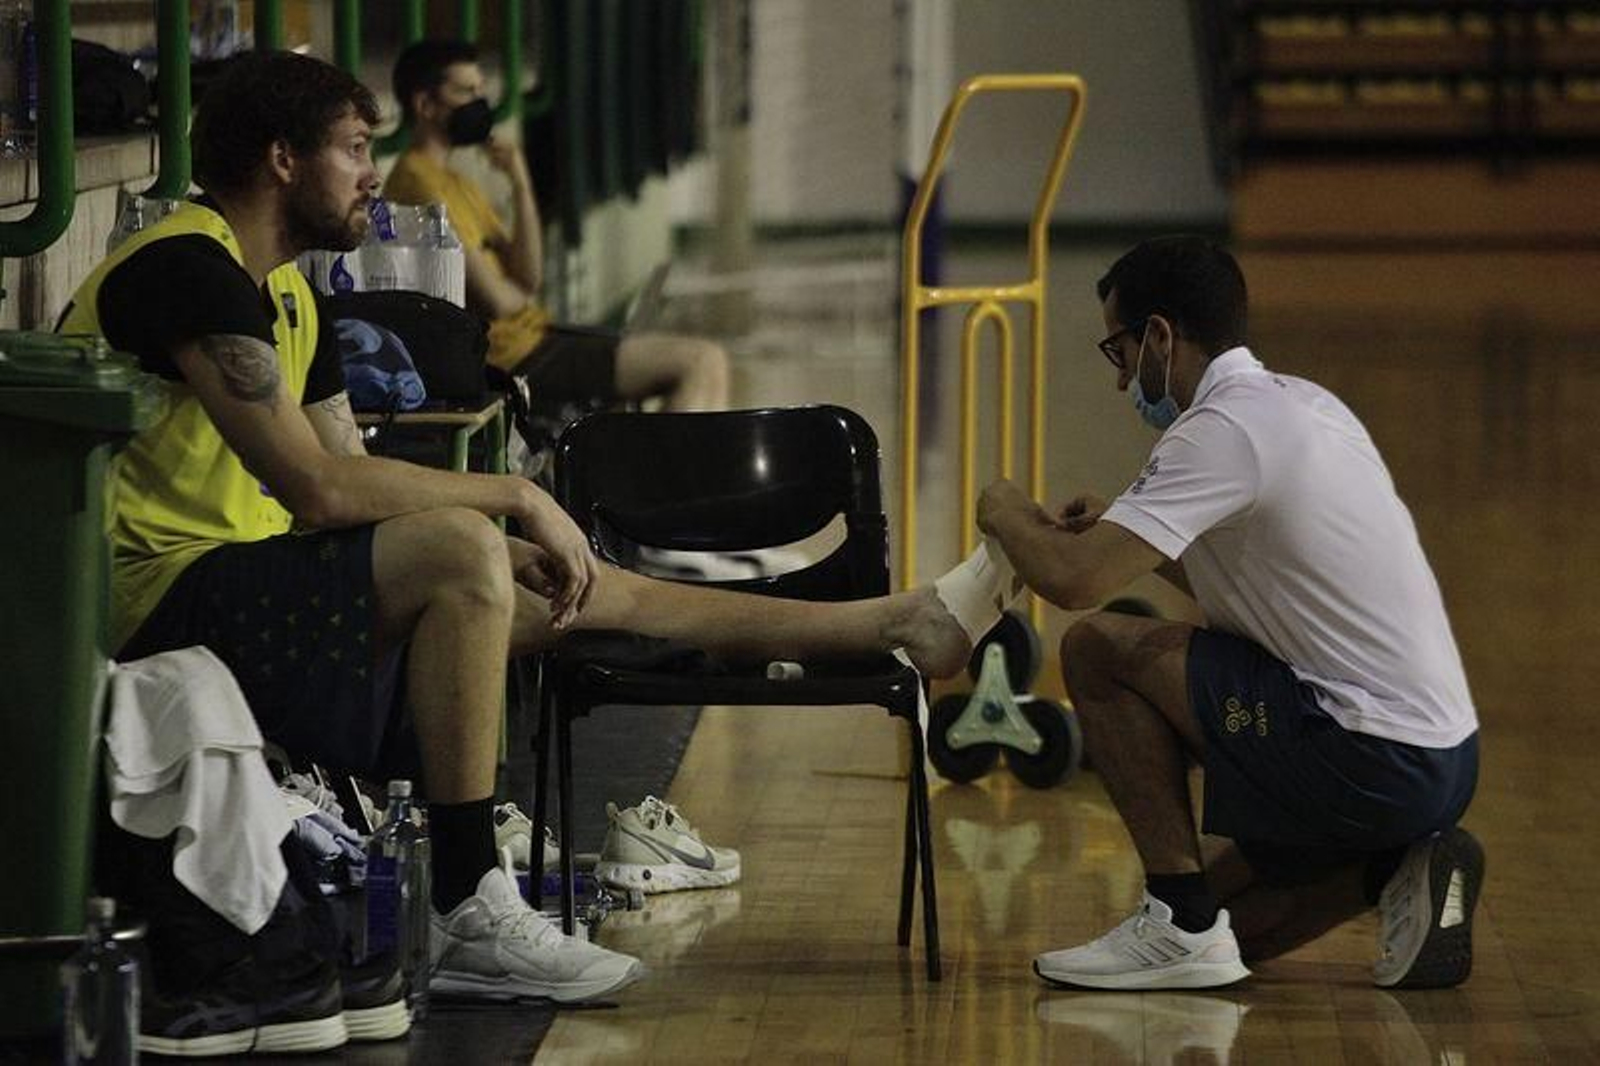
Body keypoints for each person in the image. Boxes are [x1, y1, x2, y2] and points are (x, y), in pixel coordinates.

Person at [58, 50, 979, 1045]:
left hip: (242, 590)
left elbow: (349, 477)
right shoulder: (185, 271)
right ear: (283, 159)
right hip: (147, 608)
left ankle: (881, 621)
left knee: (567, 590)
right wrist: (507, 499)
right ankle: (465, 899)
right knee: (464, 549)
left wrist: (519, 547)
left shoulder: (289, 296)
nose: (374, 173)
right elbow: (318, 489)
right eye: (356, 151)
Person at [975, 236, 1482, 991]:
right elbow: (1252, 569)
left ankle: (1176, 920)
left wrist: (1004, 511)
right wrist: (1124, 523)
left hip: (1364, 749)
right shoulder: (1304, 403)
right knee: (1233, 935)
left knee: (1097, 650)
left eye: (1119, 353)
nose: (1122, 385)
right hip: (1437, 758)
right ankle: (1388, 865)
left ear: (1159, 336)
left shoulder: (1220, 430)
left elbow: (1075, 584)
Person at [384, 38, 729, 422]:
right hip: (509, 357)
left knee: (702, 359)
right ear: (425, 105)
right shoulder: (417, 186)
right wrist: (513, 293)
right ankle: (665, 479)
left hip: (536, 336)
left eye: (482, 90)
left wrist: (519, 180)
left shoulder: (457, 181)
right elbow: (498, 302)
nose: (480, 102)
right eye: (466, 91)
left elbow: (528, 277)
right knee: (700, 361)